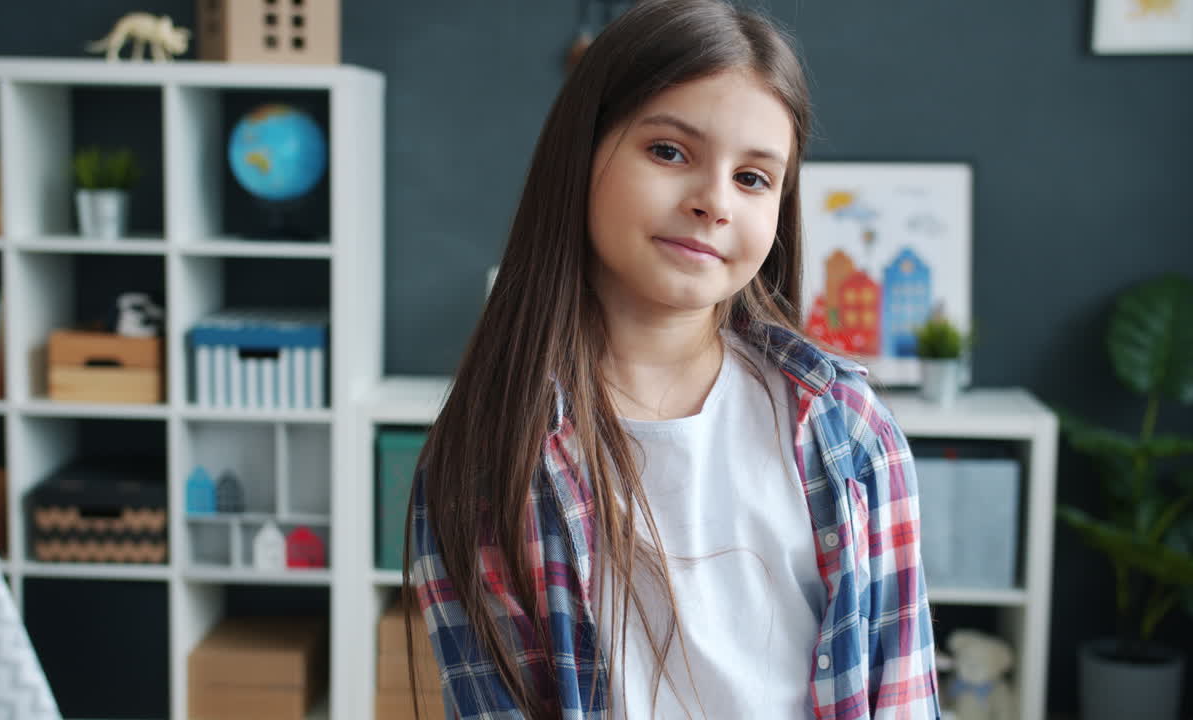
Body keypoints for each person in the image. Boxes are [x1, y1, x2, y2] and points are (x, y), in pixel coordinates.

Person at [403, 1, 941, 718]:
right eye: (669, 151)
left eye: (753, 179)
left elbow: (899, 694)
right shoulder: (483, 458)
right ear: (583, 151)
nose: (714, 202)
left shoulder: (846, 430)